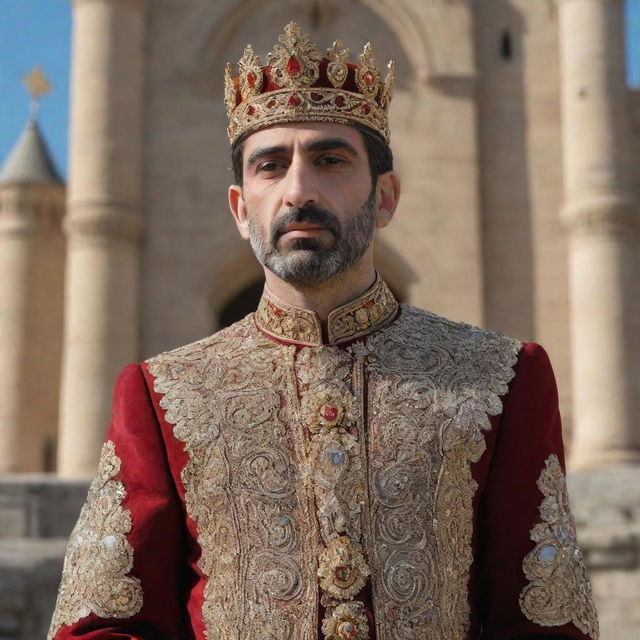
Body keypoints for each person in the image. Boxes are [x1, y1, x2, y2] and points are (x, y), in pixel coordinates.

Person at [48, 22, 599, 640]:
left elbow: (546, 618)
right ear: (239, 207)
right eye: (270, 165)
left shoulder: (500, 378)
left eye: (330, 161)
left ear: (385, 196)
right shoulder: (164, 392)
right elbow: (107, 624)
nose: (299, 190)